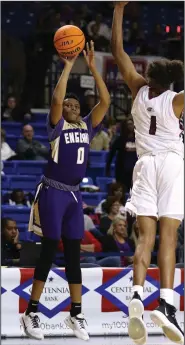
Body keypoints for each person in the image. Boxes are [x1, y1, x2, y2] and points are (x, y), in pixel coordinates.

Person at [20, 41, 110, 341]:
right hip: (53, 192)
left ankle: (76, 313)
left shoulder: (87, 127)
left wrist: (95, 69)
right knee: (49, 249)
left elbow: (106, 102)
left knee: (73, 255)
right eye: (68, 106)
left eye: (75, 105)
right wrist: (69, 64)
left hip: (74, 195)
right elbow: (57, 97)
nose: (71, 107)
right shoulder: (56, 126)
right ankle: (31, 312)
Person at [111, 2, 184, 344]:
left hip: (143, 165)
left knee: (145, 238)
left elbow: (118, 51)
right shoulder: (175, 100)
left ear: (150, 77)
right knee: (169, 238)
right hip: (169, 163)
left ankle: (137, 296)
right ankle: (167, 306)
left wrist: (119, 8)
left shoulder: (137, 90)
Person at [106, 118, 137, 192]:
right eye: (128, 124)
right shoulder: (120, 140)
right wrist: (108, 168)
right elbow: (111, 154)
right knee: (122, 191)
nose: (130, 126)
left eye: (131, 124)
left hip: (135, 172)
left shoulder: (139, 139)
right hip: (122, 171)